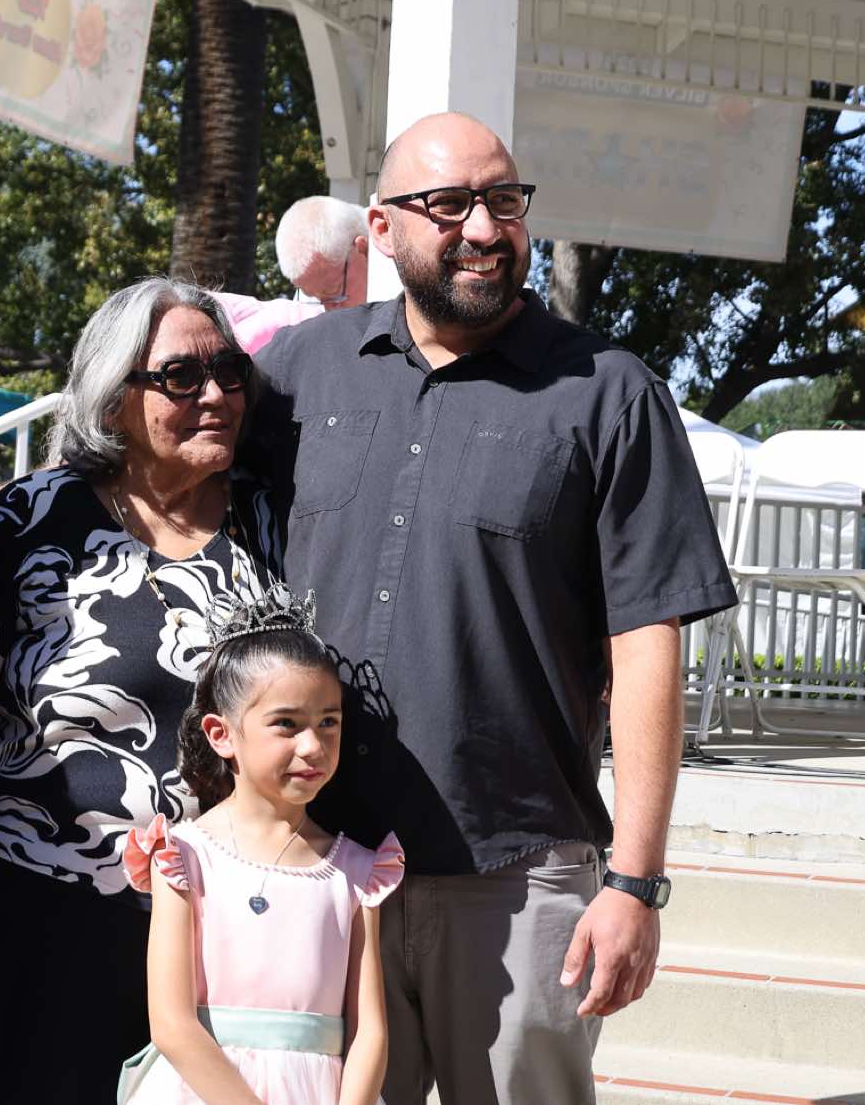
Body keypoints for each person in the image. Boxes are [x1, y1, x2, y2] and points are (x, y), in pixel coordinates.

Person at [248, 112, 737, 1105]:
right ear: (381, 229)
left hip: (516, 877)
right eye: (448, 204)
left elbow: (647, 645)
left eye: (503, 201)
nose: (483, 228)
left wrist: (634, 882)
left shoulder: (607, 394)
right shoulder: (296, 376)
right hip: (318, 868)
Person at [0, 277, 285, 1104]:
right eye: (181, 376)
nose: (216, 394)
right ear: (115, 399)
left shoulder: (268, 521)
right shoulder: (30, 521)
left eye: (229, 371)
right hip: (37, 914)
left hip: (223, 923)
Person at [120, 584, 401, 1105]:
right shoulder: (182, 857)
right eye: (286, 724)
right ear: (222, 734)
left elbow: (369, 1031)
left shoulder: (359, 871)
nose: (313, 745)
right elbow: (173, 1025)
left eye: (329, 722)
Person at [211, 195, 370, 355]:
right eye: (314, 297)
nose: (328, 309)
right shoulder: (314, 292)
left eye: (333, 292)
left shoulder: (384, 253)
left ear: (362, 249)